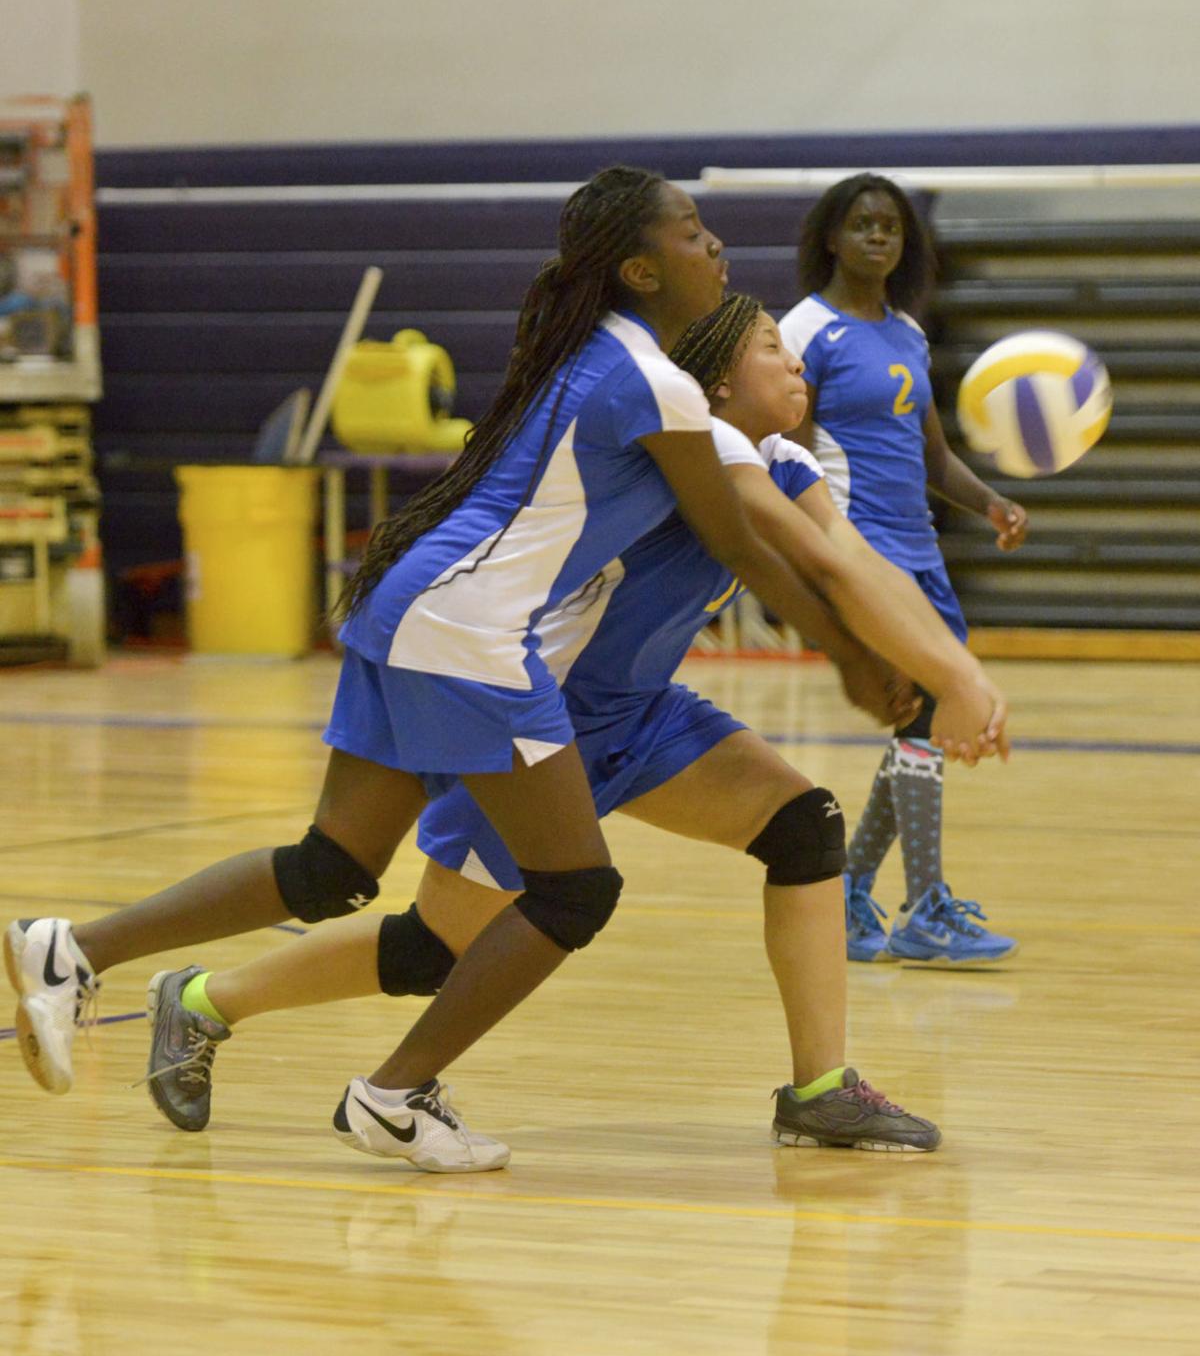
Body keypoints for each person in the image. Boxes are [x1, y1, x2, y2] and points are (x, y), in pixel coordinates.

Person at [6, 166, 925, 1174]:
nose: (716, 249)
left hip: (411, 608)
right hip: (471, 633)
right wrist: (849, 656)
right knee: (573, 891)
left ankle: (73, 948)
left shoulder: (595, 350)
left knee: (332, 868)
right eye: (694, 233)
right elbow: (743, 543)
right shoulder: (656, 385)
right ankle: (394, 1096)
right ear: (638, 270)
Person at [137, 295, 1009, 1163]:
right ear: (715, 381)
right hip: (541, 717)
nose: (795, 363)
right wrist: (955, 678)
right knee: (432, 947)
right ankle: (207, 1001)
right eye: (772, 347)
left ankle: (820, 1092)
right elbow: (830, 569)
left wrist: (940, 668)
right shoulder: (700, 444)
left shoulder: (783, 461)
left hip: (644, 714)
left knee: (803, 827)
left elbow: (853, 561)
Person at [778, 173, 1029, 966]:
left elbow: (933, 457)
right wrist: (812, 560)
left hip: (922, 551)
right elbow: (786, 455)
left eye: (891, 227)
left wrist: (991, 503)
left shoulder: (909, 335)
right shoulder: (805, 330)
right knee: (923, 717)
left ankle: (854, 892)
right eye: (863, 224)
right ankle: (924, 906)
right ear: (831, 237)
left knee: (920, 723)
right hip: (861, 554)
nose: (879, 237)